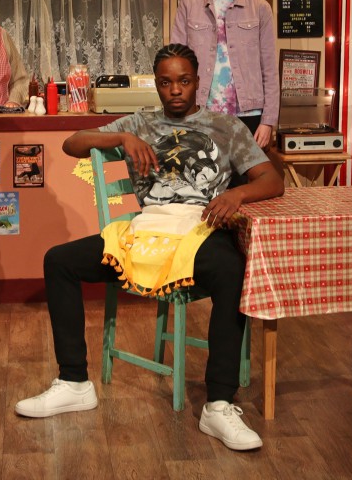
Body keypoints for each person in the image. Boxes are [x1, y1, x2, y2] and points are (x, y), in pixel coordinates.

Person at [14, 43, 285, 452]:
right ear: (156, 84)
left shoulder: (227, 127)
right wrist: (122, 135)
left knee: (232, 270)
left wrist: (238, 195)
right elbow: (72, 143)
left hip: (200, 230)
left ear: (197, 81)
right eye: (165, 82)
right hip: (146, 231)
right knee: (60, 261)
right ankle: (74, 382)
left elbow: (273, 179)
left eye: (184, 81)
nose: (175, 90)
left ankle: (219, 403)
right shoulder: (140, 122)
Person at [171, 0, 280, 150]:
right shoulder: (190, 4)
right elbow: (176, 63)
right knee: (201, 177)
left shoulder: (260, 8)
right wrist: (178, 113)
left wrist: (268, 121)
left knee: (245, 180)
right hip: (200, 110)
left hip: (248, 113)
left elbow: (269, 68)